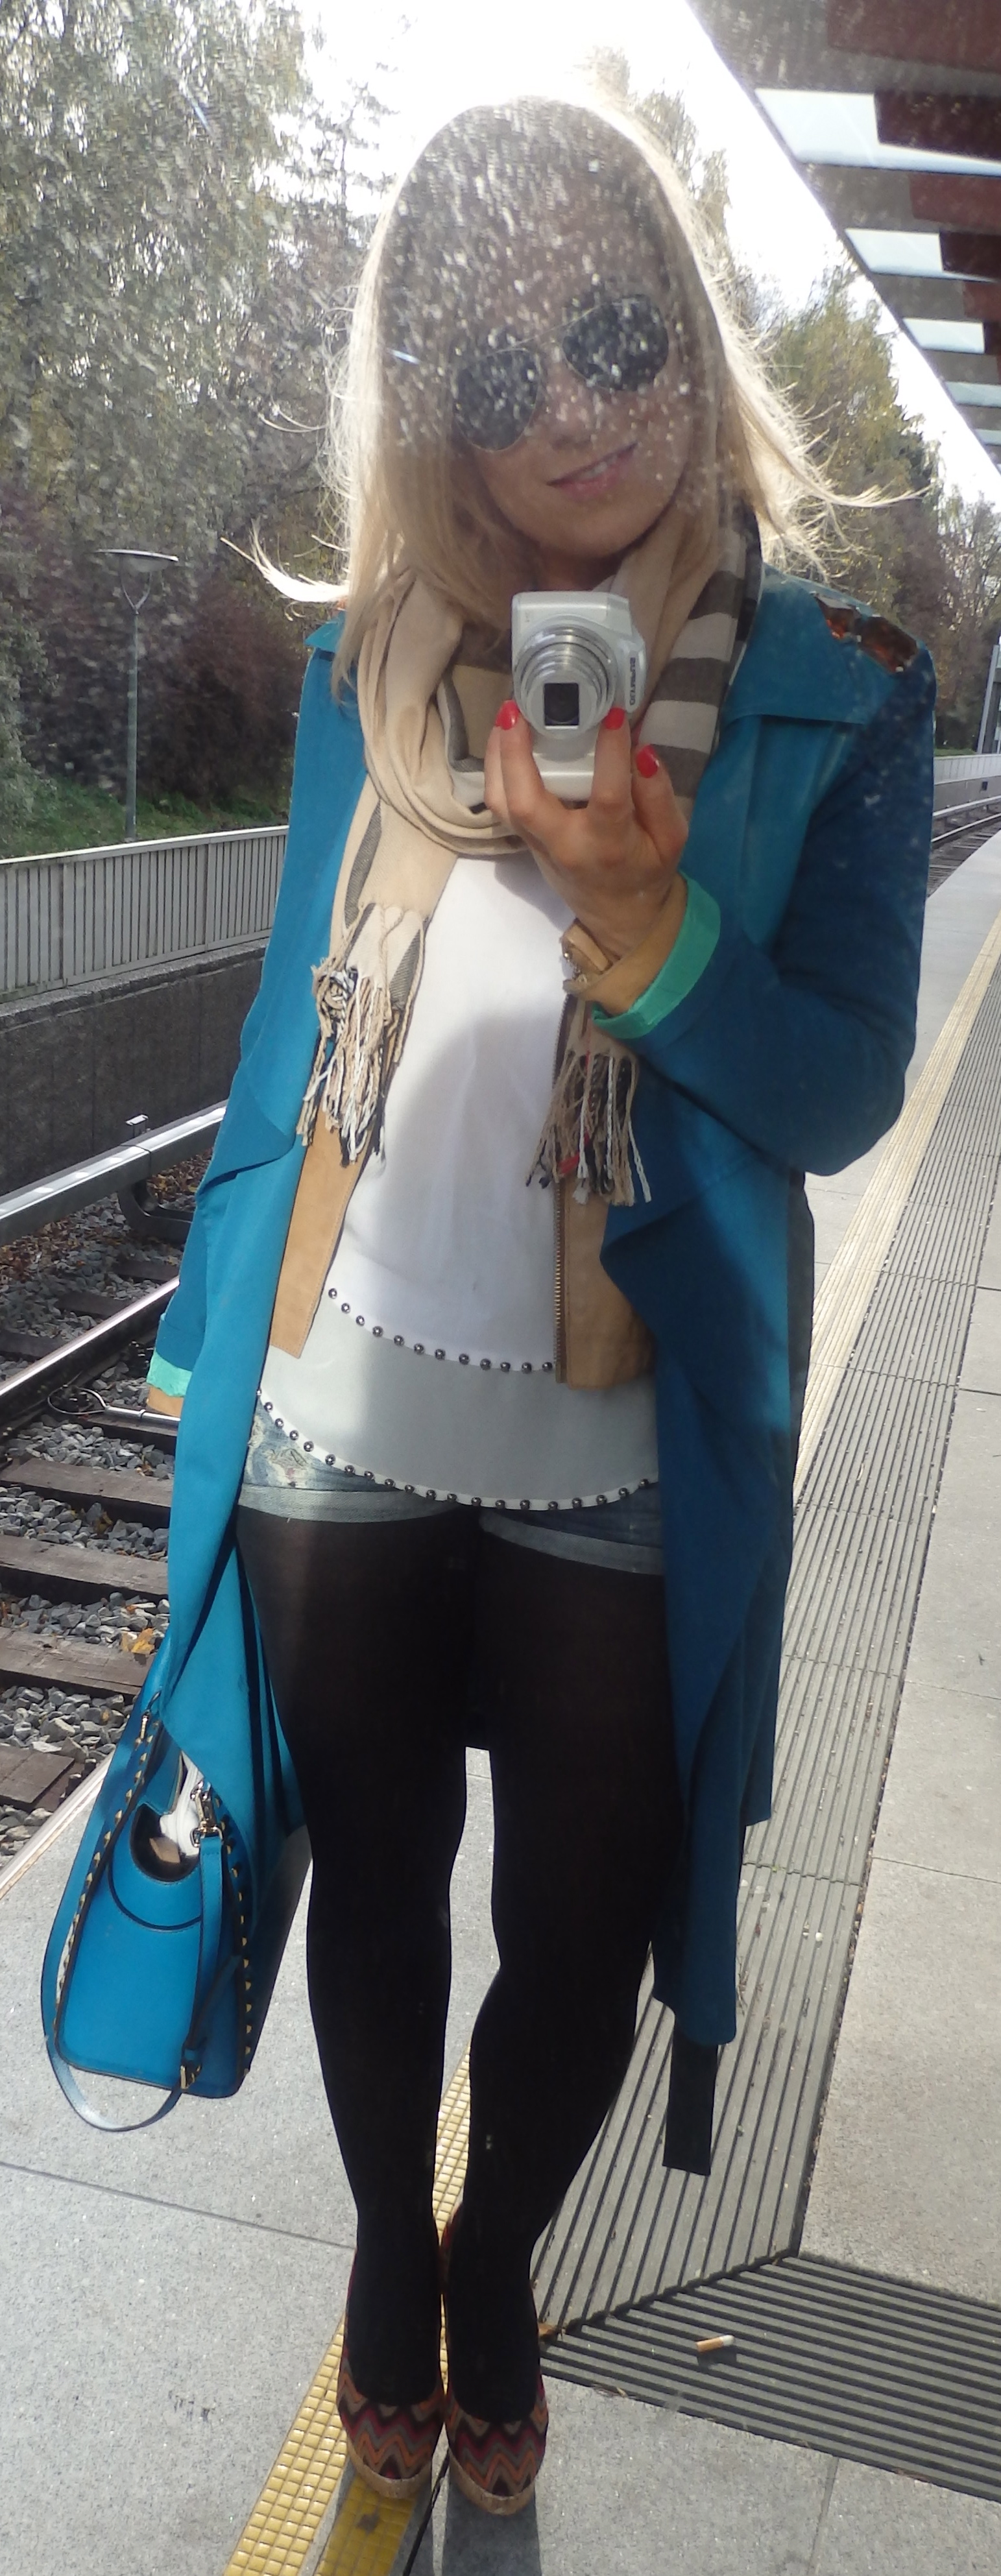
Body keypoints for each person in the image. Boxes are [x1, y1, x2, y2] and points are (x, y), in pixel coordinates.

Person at [144, 95, 934, 2518]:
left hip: (626, 1445)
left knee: (582, 1940)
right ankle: (396, 2258)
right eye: (501, 363)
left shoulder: (840, 684)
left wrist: (654, 925)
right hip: (344, 1413)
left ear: (690, 328)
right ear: (429, 406)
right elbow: (289, 1030)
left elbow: (839, 1087)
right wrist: (204, 1345)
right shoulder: (361, 672)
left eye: (616, 330)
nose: (577, 405)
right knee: (374, 1889)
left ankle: (503, 2247)